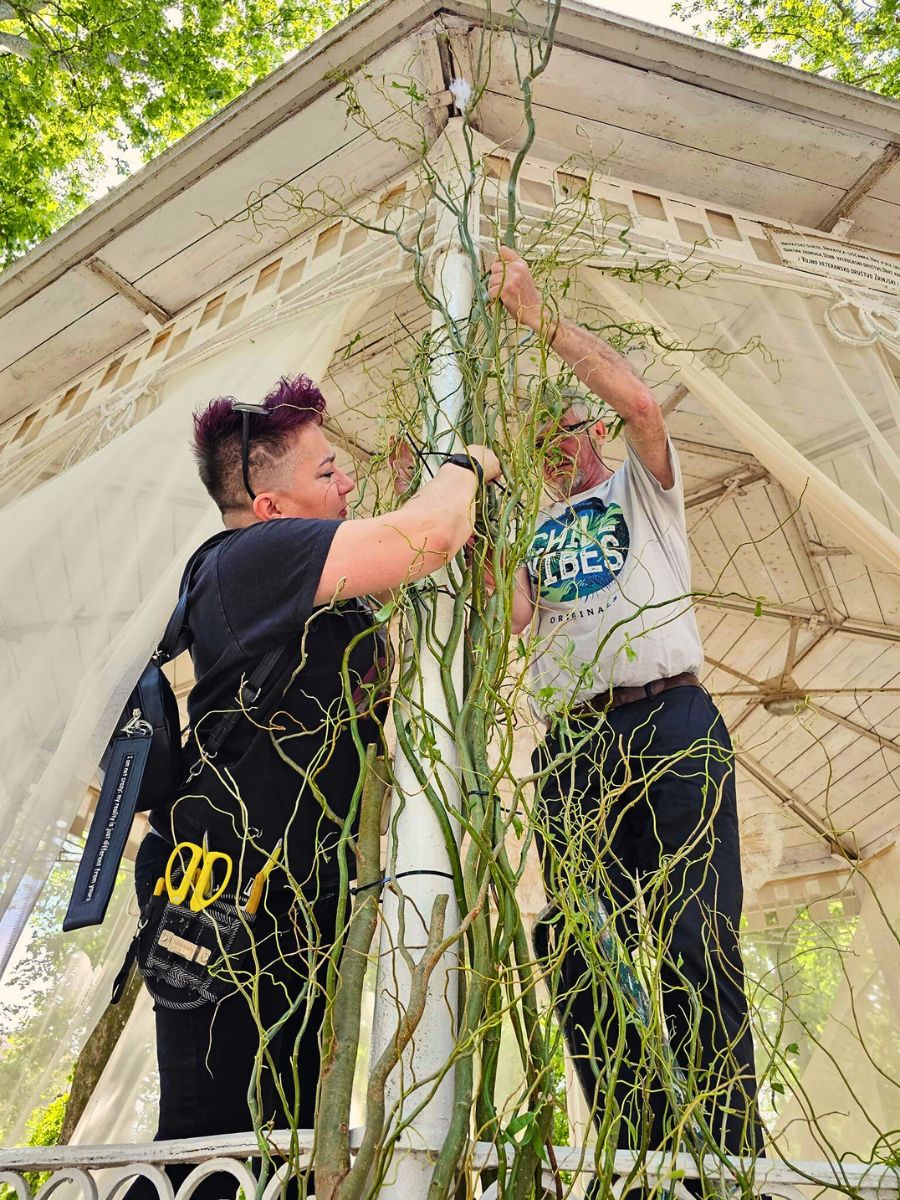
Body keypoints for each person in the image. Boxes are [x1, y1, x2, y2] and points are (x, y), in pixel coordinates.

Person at [127, 374, 500, 1198]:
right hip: (222, 890)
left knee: (280, 1134)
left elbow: (406, 557)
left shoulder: (290, 574)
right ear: (270, 508)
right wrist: (464, 465)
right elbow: (429, 537)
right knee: (217, 1146)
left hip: (287, 893)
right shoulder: (251, 557)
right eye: (327, 470)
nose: (347, 481)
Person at [488, 247, 762, 1160]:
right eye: (539, 444)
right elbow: (511, 617)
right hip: (574, 746)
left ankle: (727, 1150)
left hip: (671, 719)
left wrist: (537, 322)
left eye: (565, 427)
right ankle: (637, 1148)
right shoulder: (534, 526)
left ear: (592, 428)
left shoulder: (646, 490)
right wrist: (467, 500)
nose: (556, 448)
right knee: (573, 943)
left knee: (694, 937)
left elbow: (640, 397)